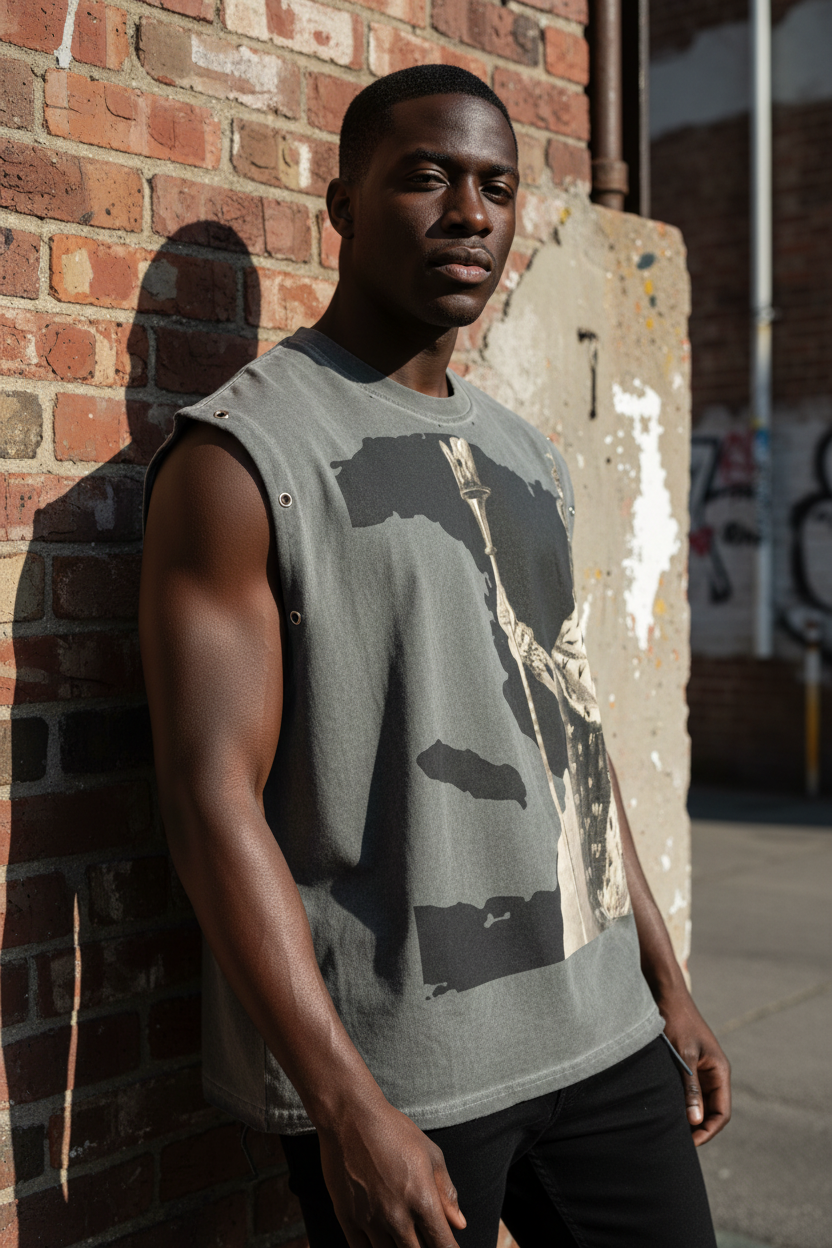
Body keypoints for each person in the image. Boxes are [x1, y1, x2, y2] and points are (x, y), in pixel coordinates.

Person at [139, 65, 730, 1248]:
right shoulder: (246, 457)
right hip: (410, 1068)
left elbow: (572, 730)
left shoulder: (530, 459)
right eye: (427, 177)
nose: (469, 212)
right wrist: (345, 1105)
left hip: (605, 1034)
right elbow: (211, 807)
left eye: (496, 187)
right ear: (343, 205)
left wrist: (663, 978)